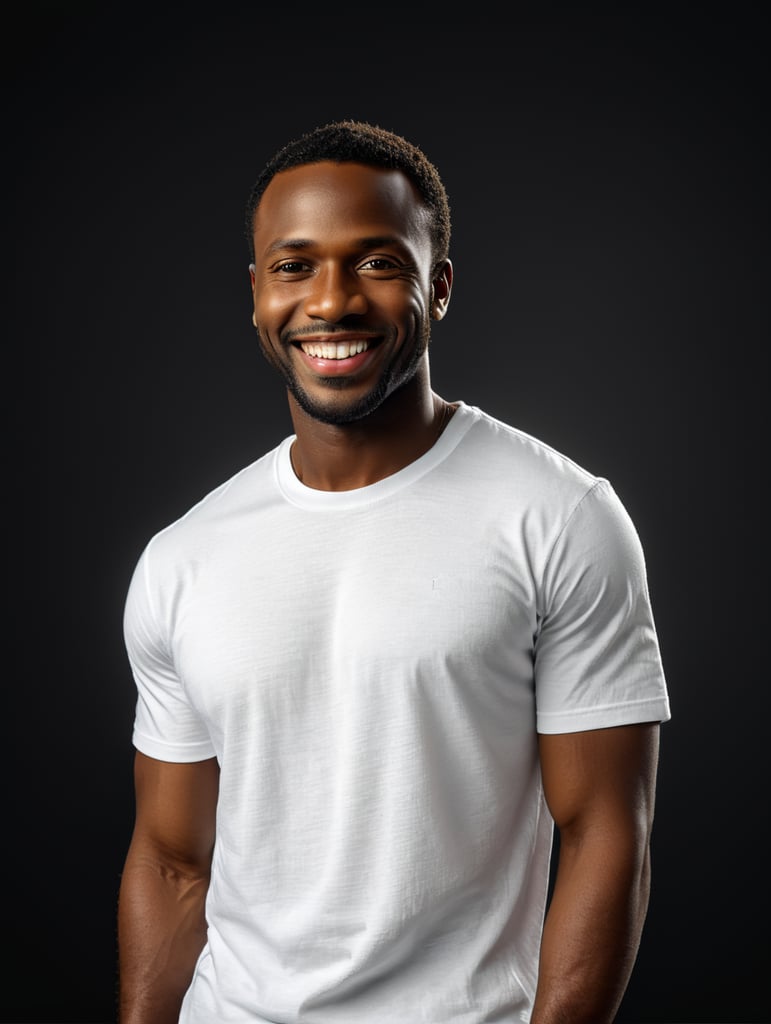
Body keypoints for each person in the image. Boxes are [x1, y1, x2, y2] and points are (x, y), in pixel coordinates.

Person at [117, 119, 671, 1024]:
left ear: (438, 288)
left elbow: (608, 834)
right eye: (293, 266)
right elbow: (173, 858)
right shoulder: (184, 557)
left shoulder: (559, 518)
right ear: (256, 293)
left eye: (376, 263)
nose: (330, 302)